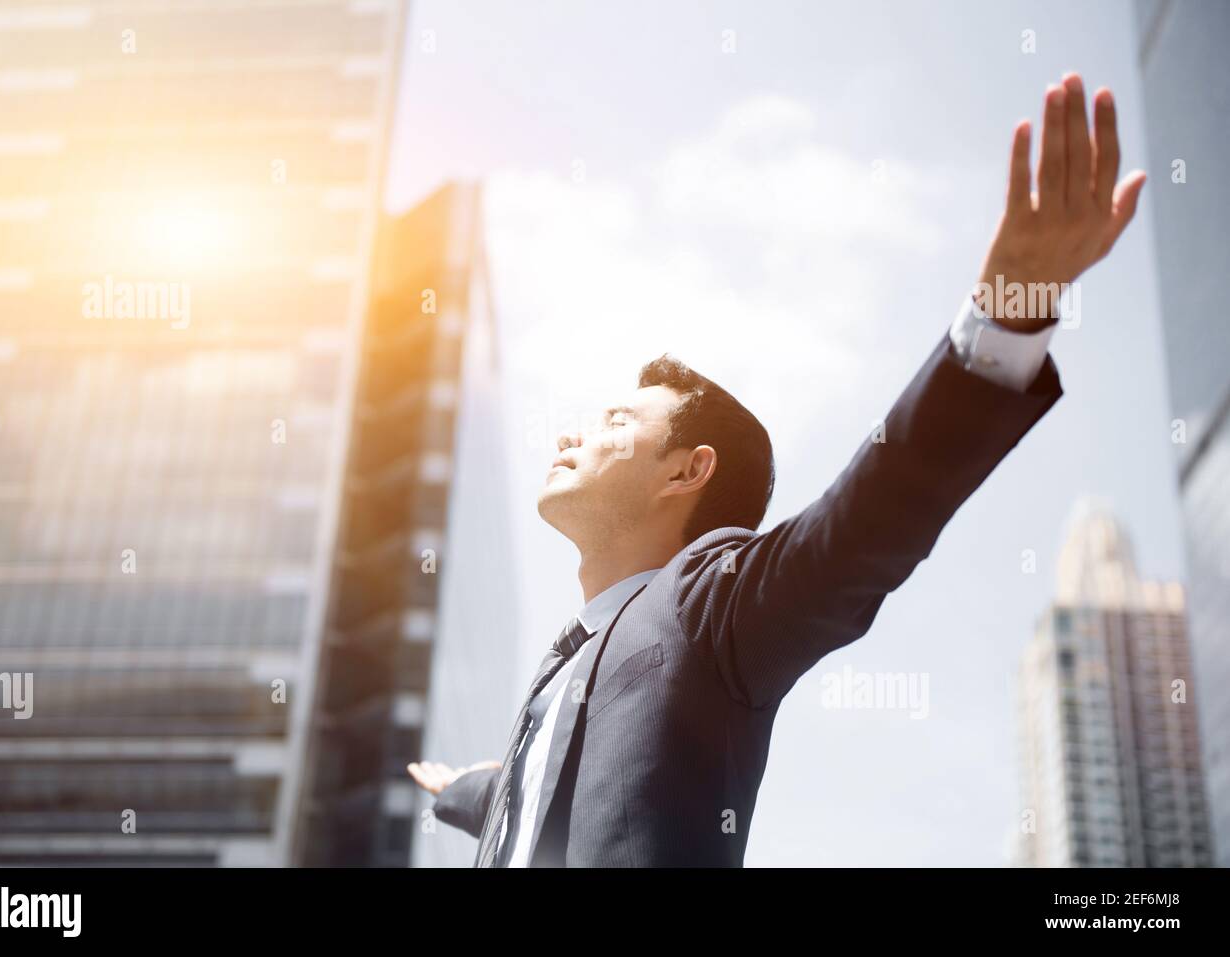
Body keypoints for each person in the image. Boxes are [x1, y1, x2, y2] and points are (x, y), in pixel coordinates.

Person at [408, 73, 1146, 867]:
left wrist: (1006, 314)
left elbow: (855, 530)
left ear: (688, 471)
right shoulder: (555, 683)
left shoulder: (704, 607)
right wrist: (468, 789)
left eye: (619, 423)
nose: (573, 437)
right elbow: (542, 781)